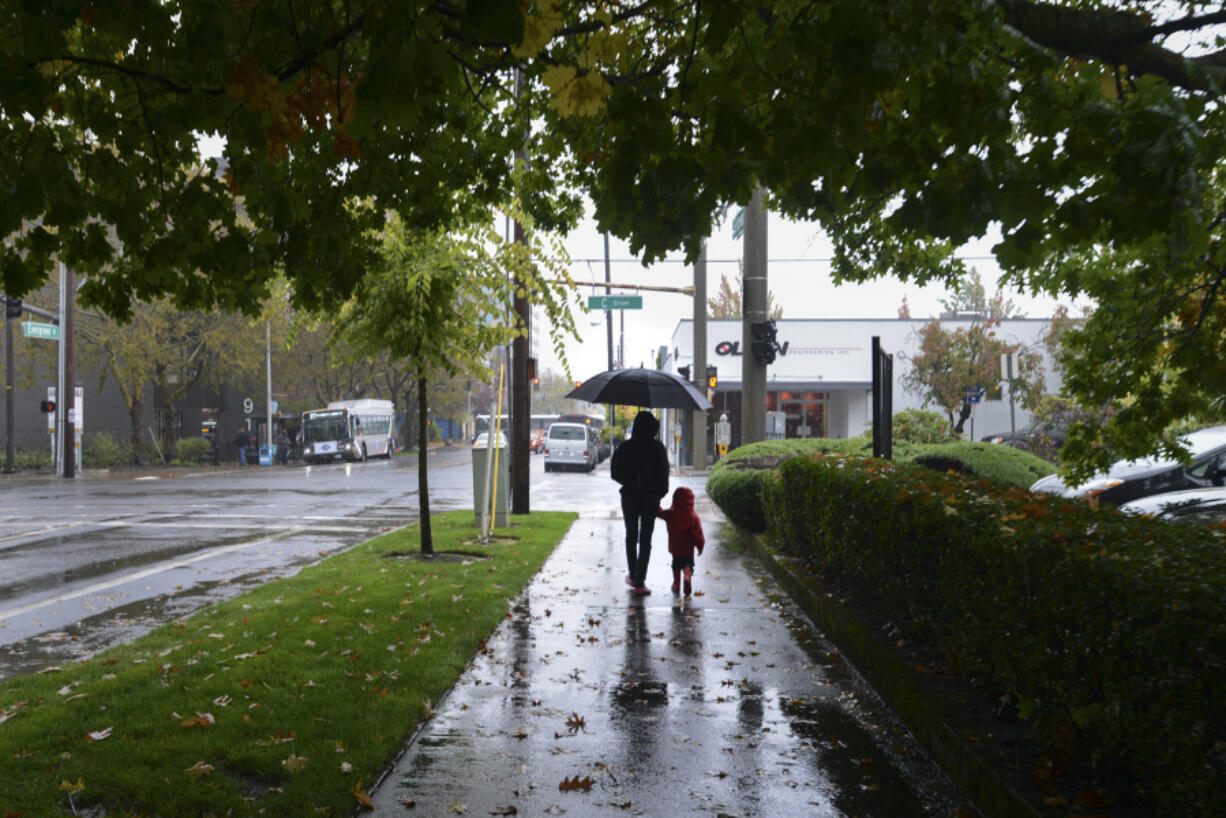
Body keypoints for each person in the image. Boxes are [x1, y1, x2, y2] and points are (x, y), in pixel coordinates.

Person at [610, 410, 670, 596]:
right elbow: (664, 475)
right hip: (650, 498)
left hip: (629, 497)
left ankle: (633, 574)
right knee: (645, 539)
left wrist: (629, 481)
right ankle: (640, 580)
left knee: (631, 536)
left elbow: (614, 472)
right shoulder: (658, 447)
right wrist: (658, 493)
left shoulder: (626, 447)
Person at [657, 486, 705, 596]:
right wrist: (700, 547)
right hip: (688, 550)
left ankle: (676, 584)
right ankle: (687, 574)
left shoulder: (671, 514)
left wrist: (655, 503)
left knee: (676, 566)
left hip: (675, 548)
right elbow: (699, 535)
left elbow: (660, 513)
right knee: (688, 564)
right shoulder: (694, 517)